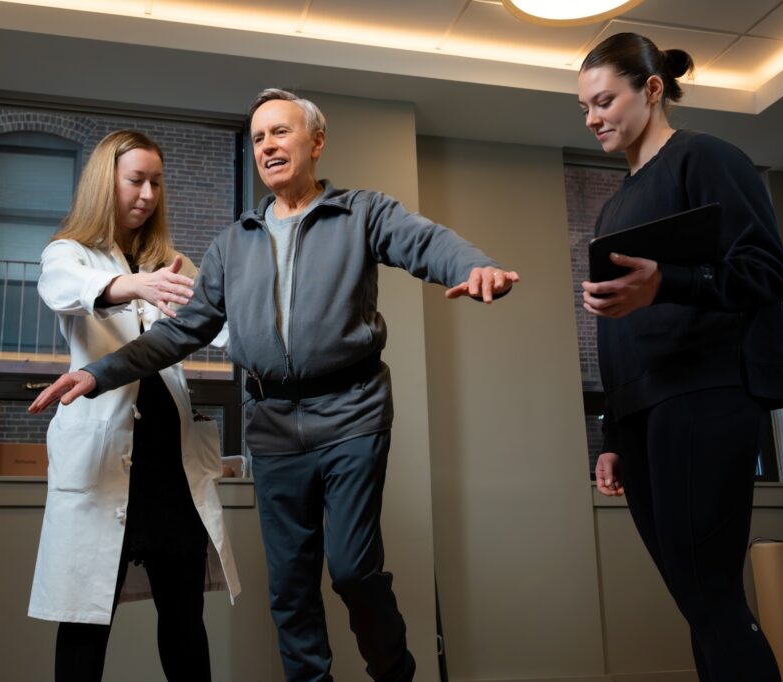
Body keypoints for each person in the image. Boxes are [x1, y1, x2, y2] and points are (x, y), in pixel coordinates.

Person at [29, 89, 518, 682]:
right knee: (288, 588)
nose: (268, 146)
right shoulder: (232, 243)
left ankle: (395, 672)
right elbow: (176, 333)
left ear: (315, 142)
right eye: (259, 138)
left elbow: (424, 241)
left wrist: (471, 266)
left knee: (353, 571)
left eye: (280, 133)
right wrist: (97, 371)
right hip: (273, 430)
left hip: (351, 415)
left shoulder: (360, 212)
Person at [577, 33, 783, 681]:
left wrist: (667, 283)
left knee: (710, 594)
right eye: (585, 109)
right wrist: (613, 432)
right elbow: (615, 335)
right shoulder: (614, 206)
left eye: (604, 101)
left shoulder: (705, 158)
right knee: (698, 600)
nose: (593, 117)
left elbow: (765, 272)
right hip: (645, 413)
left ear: (651, 89)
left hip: (708, 395)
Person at [26, 129, 240, 682]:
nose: (147, 193)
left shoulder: (170, 261)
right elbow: (63, 288)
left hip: (170, 469)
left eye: (156, 182)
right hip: (105, 469)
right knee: (85, 623)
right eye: (135, 180)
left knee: (185, 620)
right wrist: (132, 285)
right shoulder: (68, 253)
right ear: (107, 183)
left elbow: (219, 329)